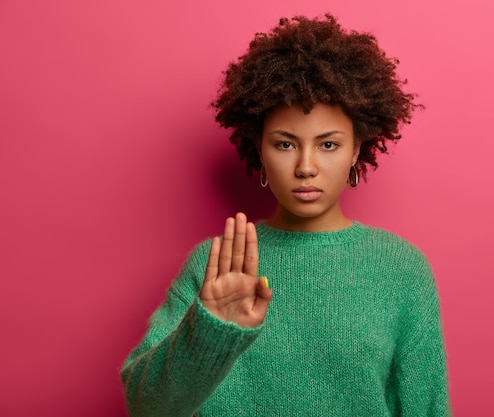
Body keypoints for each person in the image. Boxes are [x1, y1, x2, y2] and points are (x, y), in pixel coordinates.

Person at [121, 14, 451, 417]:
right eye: (285, 144)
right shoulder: (215, 265)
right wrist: (209, 333)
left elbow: (428, 408)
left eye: (328, 145)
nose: (306, 166)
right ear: (260, 148)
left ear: (355, 149)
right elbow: (145, 406)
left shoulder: (402, 270)